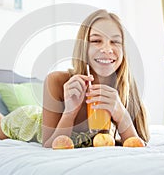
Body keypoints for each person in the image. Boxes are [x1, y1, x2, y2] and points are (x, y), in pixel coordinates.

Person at [42, 9, 150, 148]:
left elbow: (138, 144)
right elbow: (49, 146)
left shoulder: (126, 86)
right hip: (31, 124)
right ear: (83, 48)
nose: (107, 49)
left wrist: (121, 114)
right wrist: (69, 112)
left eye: (115, 41)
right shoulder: (56, 81)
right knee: (5, 127)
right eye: (96, 40)